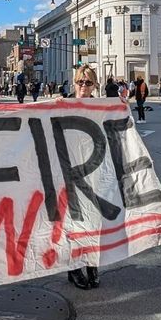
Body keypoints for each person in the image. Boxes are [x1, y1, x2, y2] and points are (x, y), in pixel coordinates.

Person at [54, 64, 104, 290]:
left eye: (88, 82)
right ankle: (74, 269)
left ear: (95, 85)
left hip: (93, 171)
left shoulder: (102, 106)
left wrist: (122, 107)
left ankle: (92, 266)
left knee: (94, 220)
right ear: (74, 83)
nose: (84, 86)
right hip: (68, 171)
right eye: (80, 82)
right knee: (72, 222)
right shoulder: (62, 103)